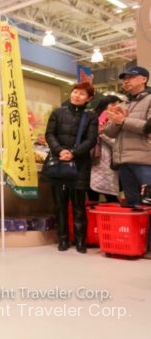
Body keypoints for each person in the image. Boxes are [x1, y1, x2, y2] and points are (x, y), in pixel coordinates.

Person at [45, 82, 98, 254]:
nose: (76, 95)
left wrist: (73, 153)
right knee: (59, 204)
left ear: (89, 99)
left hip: (80, 165)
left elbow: (91, 140)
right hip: (58, 163)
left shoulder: (91, 117)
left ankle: (81, 241)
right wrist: (60, 151)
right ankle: (63, 239)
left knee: (78, 205)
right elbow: (49, 134)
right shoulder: (57, 112)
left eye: (82, 94)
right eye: (75, 92)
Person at [104, 66, 151, 259]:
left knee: (149, 203)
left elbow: (149, 126)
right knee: (132, 205)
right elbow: (109, 132)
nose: (126, 81)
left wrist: (123, 121)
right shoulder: (123, 104)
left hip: (145, 161)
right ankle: (135, 245)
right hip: (124, 162)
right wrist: (115, 120)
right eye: (124, 78)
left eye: (131, 77)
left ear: (144, 79)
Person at [88, 95, 122, 203]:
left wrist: (102, 134)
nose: (116, 107)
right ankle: (93, 217)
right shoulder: (92, 118)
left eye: (118, 104)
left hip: (110, 161)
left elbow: (118, 143)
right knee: (92, 192)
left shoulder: (119, 121)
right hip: (92, 160)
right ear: (104, 106)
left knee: (110, 193)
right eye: (112, 104)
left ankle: (114, 217)